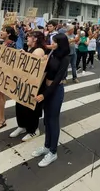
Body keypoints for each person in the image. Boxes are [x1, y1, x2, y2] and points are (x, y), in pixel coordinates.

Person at [31, 32, 71, 168]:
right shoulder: (52, 53)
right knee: (47, 120)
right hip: (46, 90)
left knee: (53, 121)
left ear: (61, 44)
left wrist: (44, 95)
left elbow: (57, 80)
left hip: (55, 91)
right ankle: (47, 146)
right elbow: (45, 70)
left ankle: (53, 152)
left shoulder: (65, 58)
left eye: (54, 42)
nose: (51, 44)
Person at [9, 30, 47, 141]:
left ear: (35, 39)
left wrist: (25, 55)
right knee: (20, 105)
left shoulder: (39, 50)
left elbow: (33, 62)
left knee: (30, 108)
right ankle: (22, 126)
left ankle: (33, 130)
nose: (27, 38)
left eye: (29, 36)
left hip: (33, 85)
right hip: (24, 82)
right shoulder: (29, 49)